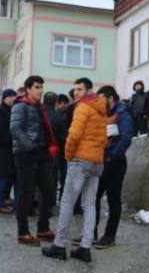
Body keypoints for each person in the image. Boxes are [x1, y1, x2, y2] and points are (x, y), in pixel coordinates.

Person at [42, 77, 107, 263]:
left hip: (80, 160)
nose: (76, 92)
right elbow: (104, 139)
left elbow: (74, 135)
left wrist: (69, 155)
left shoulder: (83, 107)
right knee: (89, 204)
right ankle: (85, 248)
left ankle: (59, 245)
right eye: (75, 89)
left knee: (67, 201)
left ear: (89, 90)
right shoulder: (100, 109)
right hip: (96, 161)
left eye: (80, 89)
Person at [10, 75, 60, 247]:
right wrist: (29, 146)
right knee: (27, 193)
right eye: (37, 87)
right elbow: (15, 128)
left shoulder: (39, 107)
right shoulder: (21, 105)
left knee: (49, 190)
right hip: (25, 154)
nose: (40, 91)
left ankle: (43, 228)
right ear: (28, 89)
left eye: (41, 87)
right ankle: (22, 232)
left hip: (41, 154)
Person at [92, 85, 132, 249]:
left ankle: (109, 236)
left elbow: (126, 139)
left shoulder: (123, 114)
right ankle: (90, 233)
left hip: (115, 163)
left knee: (113, 199)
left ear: (110, 99)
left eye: (102, 99)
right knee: (93, 197)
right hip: (100, 161)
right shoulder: (104, 115)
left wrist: (111, 158)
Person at [0, 89, 17, 213]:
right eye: (9, 96)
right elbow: (1, 132)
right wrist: (13, 140)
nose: (12, 98)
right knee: (1, 177)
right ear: (4, 98)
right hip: (2, 150)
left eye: (14, 96)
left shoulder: (11, 111)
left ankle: (5, 200)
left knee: (9, 177)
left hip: (9, 150)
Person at [43, 91, 67, 204]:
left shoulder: (37, 113)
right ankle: (50, 203)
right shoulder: (60, 117)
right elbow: (63, 138)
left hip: (37, 151)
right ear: (55, 103)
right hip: (54, 153)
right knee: (51, 180)